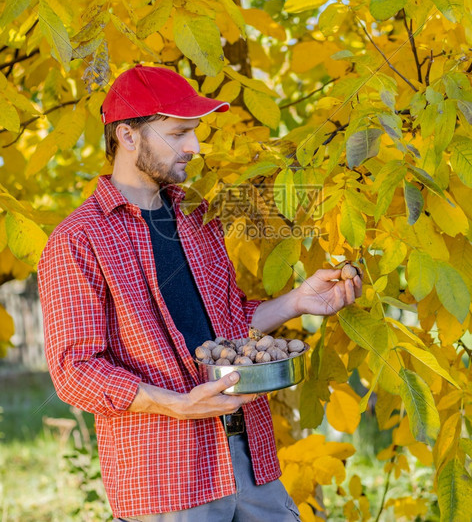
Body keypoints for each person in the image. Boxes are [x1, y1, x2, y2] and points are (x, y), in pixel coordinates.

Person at [38, 65, 363, 522]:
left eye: (194, 132)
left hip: (250, 457)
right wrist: (179, 405)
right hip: (167, 477)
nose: (194, 147)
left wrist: (297, 301)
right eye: (178, 133)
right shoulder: (78, 240)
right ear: (128, 136)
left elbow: (227, 327)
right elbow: (75, 370)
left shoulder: (197, 214)